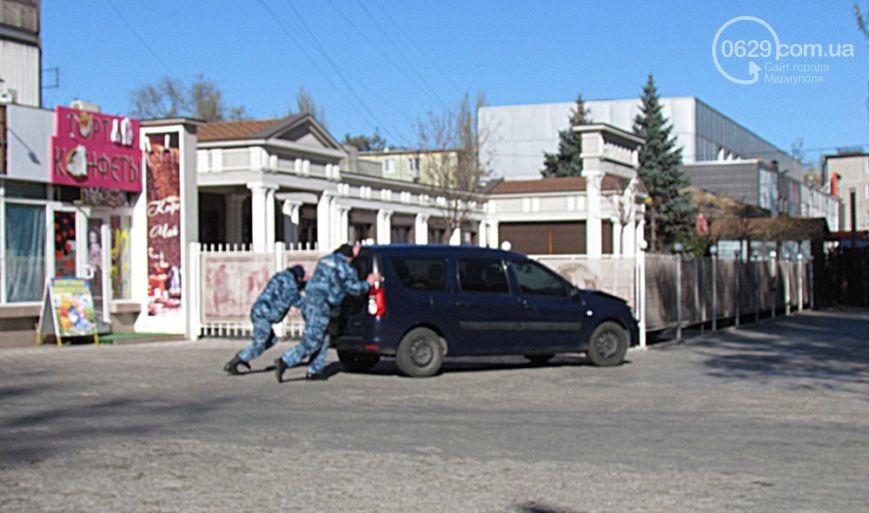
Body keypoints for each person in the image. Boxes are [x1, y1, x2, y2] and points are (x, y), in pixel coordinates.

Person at [275, 243, 378, 382]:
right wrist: (368, 282)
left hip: (309, 302)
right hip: (321, 305)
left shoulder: (325, 260)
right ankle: (285, 361)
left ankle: (314, 371)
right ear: (348, 257)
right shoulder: (345, 268)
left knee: (323, 339)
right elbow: (354, 289)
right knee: (313, 340)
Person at [223, 265, 307, 375]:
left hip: (261, 312)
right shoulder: (289, 282)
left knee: (271, 340)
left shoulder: (282, 278)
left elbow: (288, 291)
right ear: (298, 276)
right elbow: (293, 298)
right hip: (263, 315)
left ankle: (244, 357)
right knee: (260, 343)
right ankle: (234, 363)